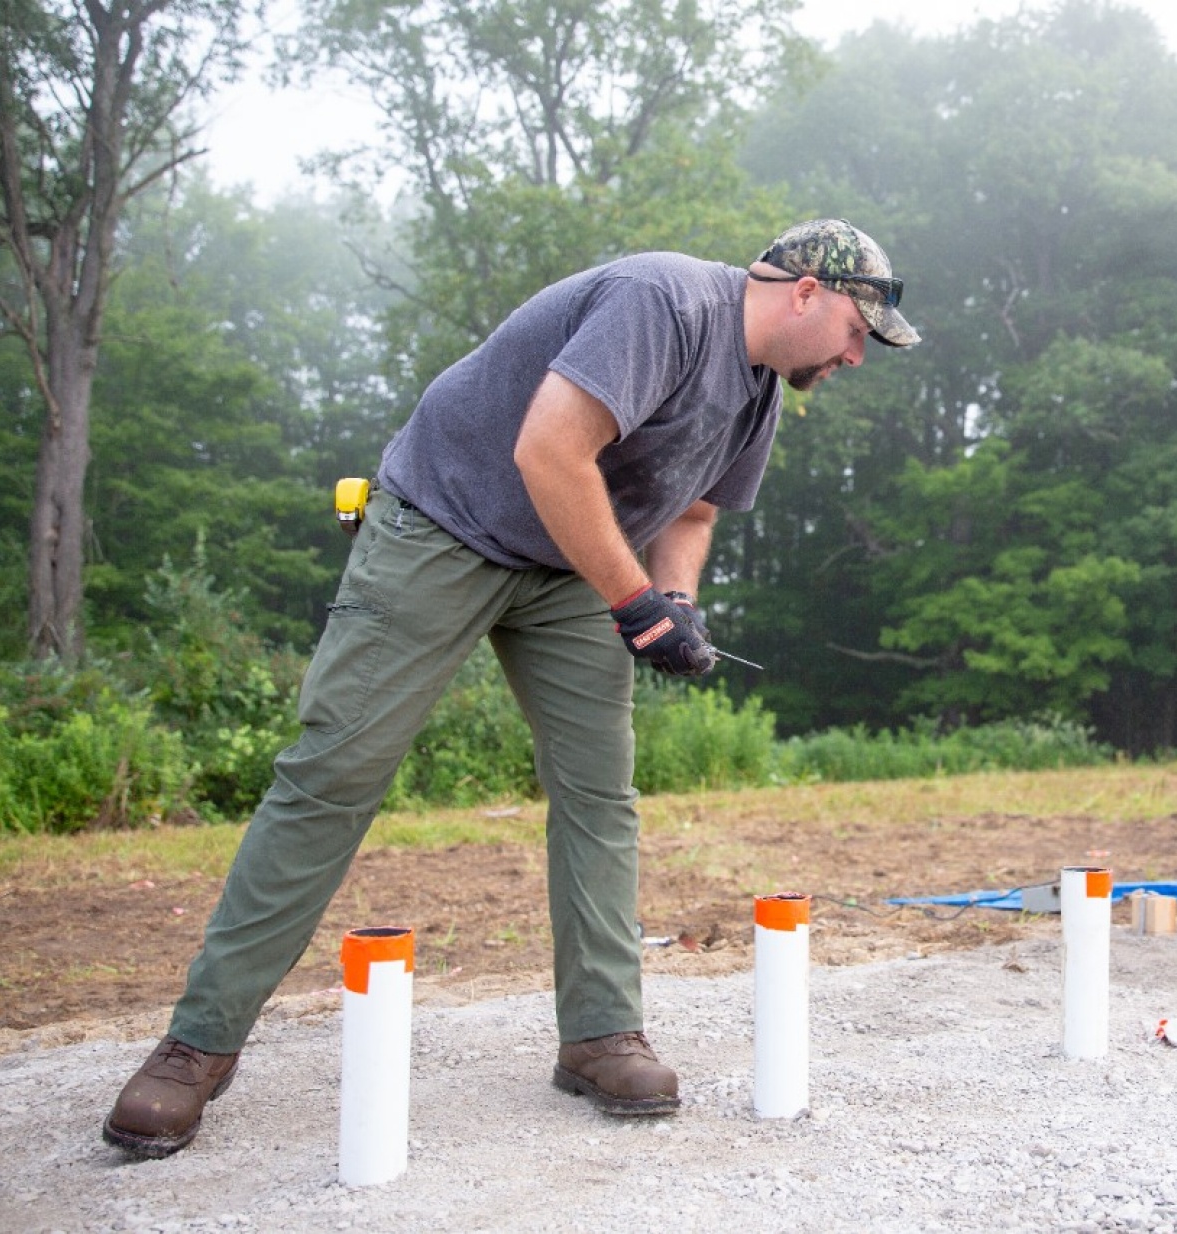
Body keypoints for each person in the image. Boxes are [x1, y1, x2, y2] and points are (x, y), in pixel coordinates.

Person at [101, 219, 920, 1158]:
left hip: (571, 562)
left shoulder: (758, 393)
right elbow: (548, 453)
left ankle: (601, 1034)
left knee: (599, 794)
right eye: (861, 333)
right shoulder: (663, 303)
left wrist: (677, 601)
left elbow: (692, 507)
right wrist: (635, 603)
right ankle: (196, 1047)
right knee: (334, 774)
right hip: (446, 526)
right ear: (806, 293)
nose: (860, 356)